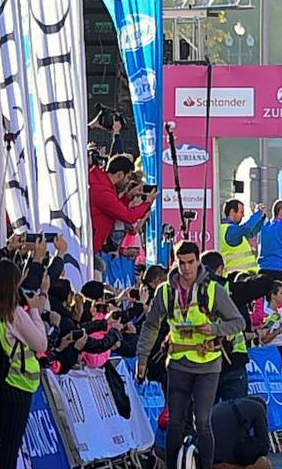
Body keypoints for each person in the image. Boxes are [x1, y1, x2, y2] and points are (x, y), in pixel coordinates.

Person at [139, 240, 245, 469]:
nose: (186, 268)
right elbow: (151, 326)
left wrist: (215, 329)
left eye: (191, 262)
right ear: (175, 263)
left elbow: (238, 322)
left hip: (207, 365)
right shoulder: (165, 291)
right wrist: (142, 358)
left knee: (203, 422)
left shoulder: (212, 290)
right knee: (175, 422)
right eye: (182, 262)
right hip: (177, 363)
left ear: (198, 261)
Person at [0, 261, 48, 469]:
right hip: (16, 387)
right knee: (9, 450)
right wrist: (35, 312)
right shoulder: (14, 313)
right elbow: (40, 343)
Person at [90, 153, 154, 253]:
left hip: (93, 245)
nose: (128, 182)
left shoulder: (105, 186)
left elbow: (115, 208)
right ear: (120, 175)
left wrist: (128, 197)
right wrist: (147, 202)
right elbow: (128, 217)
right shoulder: (102, 191)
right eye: (127, 178)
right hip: (90, 246)